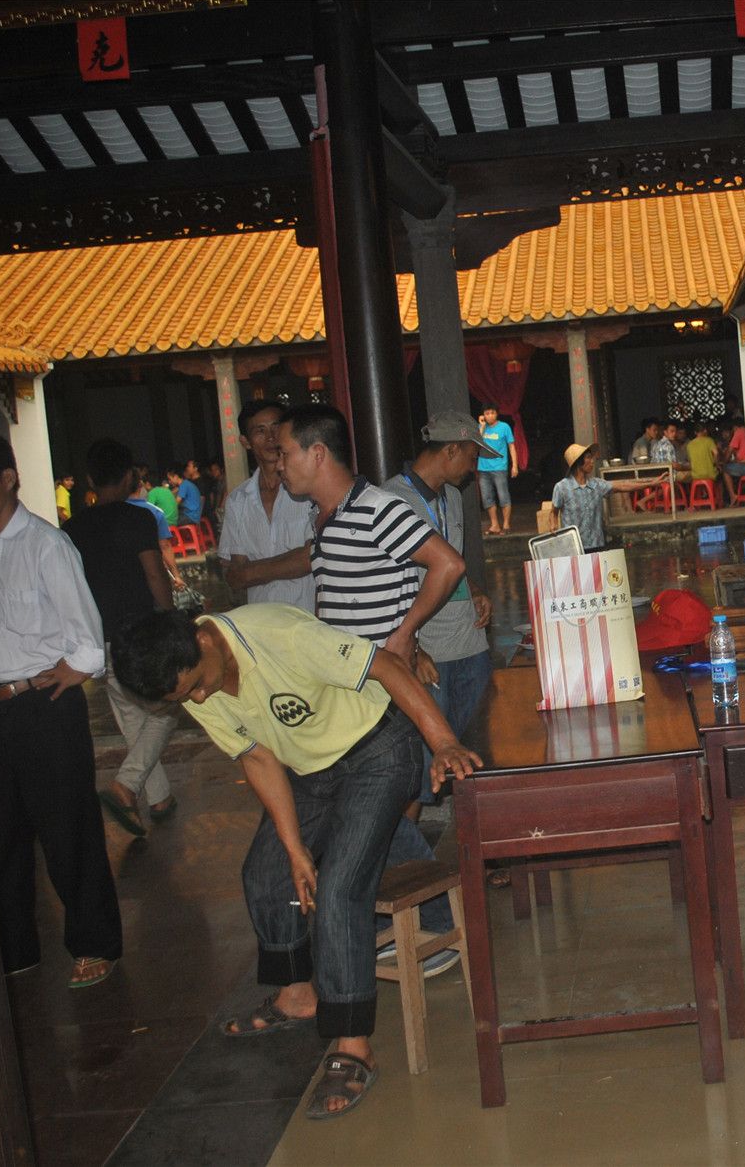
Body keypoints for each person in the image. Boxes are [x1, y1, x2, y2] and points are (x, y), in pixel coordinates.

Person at [111, 605, 482, 1118]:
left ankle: (353, 1043)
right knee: (266, 873)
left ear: (204, 641)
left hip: (378, 750)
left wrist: (442, 742)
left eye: (195, 686)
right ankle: (298, 994)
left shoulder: (279, 635)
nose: (197, 699)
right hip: (309, 771)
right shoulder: (192, 682)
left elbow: (387, 667)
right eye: (184, 698)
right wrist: (294, 849)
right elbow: (257, 756)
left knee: (341, 890)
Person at [277, 403, 467, 944]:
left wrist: (405, 636)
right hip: (346, 693)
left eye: (285, 453)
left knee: (363, 809)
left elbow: (448, 564)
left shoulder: (377, 508)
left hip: (383, 692)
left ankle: (432, 924)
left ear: (317, 453)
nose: (279, 464)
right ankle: (416, 922)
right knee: (360, 811)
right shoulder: (324, 517)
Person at [0, 431, 123, 990]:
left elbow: (87, 634)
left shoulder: (46, 544)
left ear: (7, 478)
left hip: (44, 706)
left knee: (67, 827)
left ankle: (94, 945)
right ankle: (14, 949)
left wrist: (71, 670)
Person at [380, 411, 501, 798]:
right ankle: (415, 819)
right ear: (451, 450)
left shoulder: (452, 496)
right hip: (429, 646)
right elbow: (386, 585)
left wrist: (475, 589)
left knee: (470, 735)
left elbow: (451, 561)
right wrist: (413, 647)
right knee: (427, 743)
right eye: (471, 456)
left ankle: (458, 806)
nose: (473, 467)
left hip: (469, 638)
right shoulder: (390, 500)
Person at [64, 438, 180, 836]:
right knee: (166, 709)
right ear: (130, 475)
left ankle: (159, 798)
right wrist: (170, 617)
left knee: (133, 719)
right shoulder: (138, 519)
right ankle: (125, 785)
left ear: (90, 480)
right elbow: (154, 573)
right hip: (142, 633)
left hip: (103, 636)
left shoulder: (72, 529)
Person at [219, 399, 315, 611]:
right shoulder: (238, 500)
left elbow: (311, 558)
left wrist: (250, 571)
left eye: (276, 427)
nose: (271, 437)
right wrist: (292, 561)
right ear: (245, 442)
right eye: (260, 431)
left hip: (309, 617)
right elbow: (235, 577)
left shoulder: (309, 491)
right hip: (261, 621)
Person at [552, 443, 657, 552]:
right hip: (573, 547)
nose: (592, 461)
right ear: (578, 463)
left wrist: (652, 483)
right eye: (588, 458)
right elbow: (554, 511)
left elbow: (623, 485)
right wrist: (553, 524)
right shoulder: (561, 488)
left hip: (596, 544)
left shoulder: (596, 484)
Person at [475, 406, 517, 535]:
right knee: (487, 497)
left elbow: (511, 446)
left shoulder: (504, 427)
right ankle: (494, 525)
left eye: (492, 413)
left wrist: (514, 465)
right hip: (483, 468)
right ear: (483, 415)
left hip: (499, 467)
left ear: (497, 414)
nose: (489, 416)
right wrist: (482, 426)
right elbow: (476, 443)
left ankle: (506, 524)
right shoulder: (480, 427)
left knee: (503, 496)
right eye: (487, 413)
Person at [721, 414, 745, 505]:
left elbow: (730, 450)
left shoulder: (739, 432)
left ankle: (733, 496)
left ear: (735, 427)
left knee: (725, 470)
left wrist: (724, 462)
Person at [685, 421, 720, 491]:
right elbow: (716, 453)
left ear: (695, 432)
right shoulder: (709, 441)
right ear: (705, 430)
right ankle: (718, 497)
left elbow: (690, 460)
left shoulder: (689, 445)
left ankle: (703, 493)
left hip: (695, 475)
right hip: (710, 474)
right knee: (721, 476)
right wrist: (716, 464)